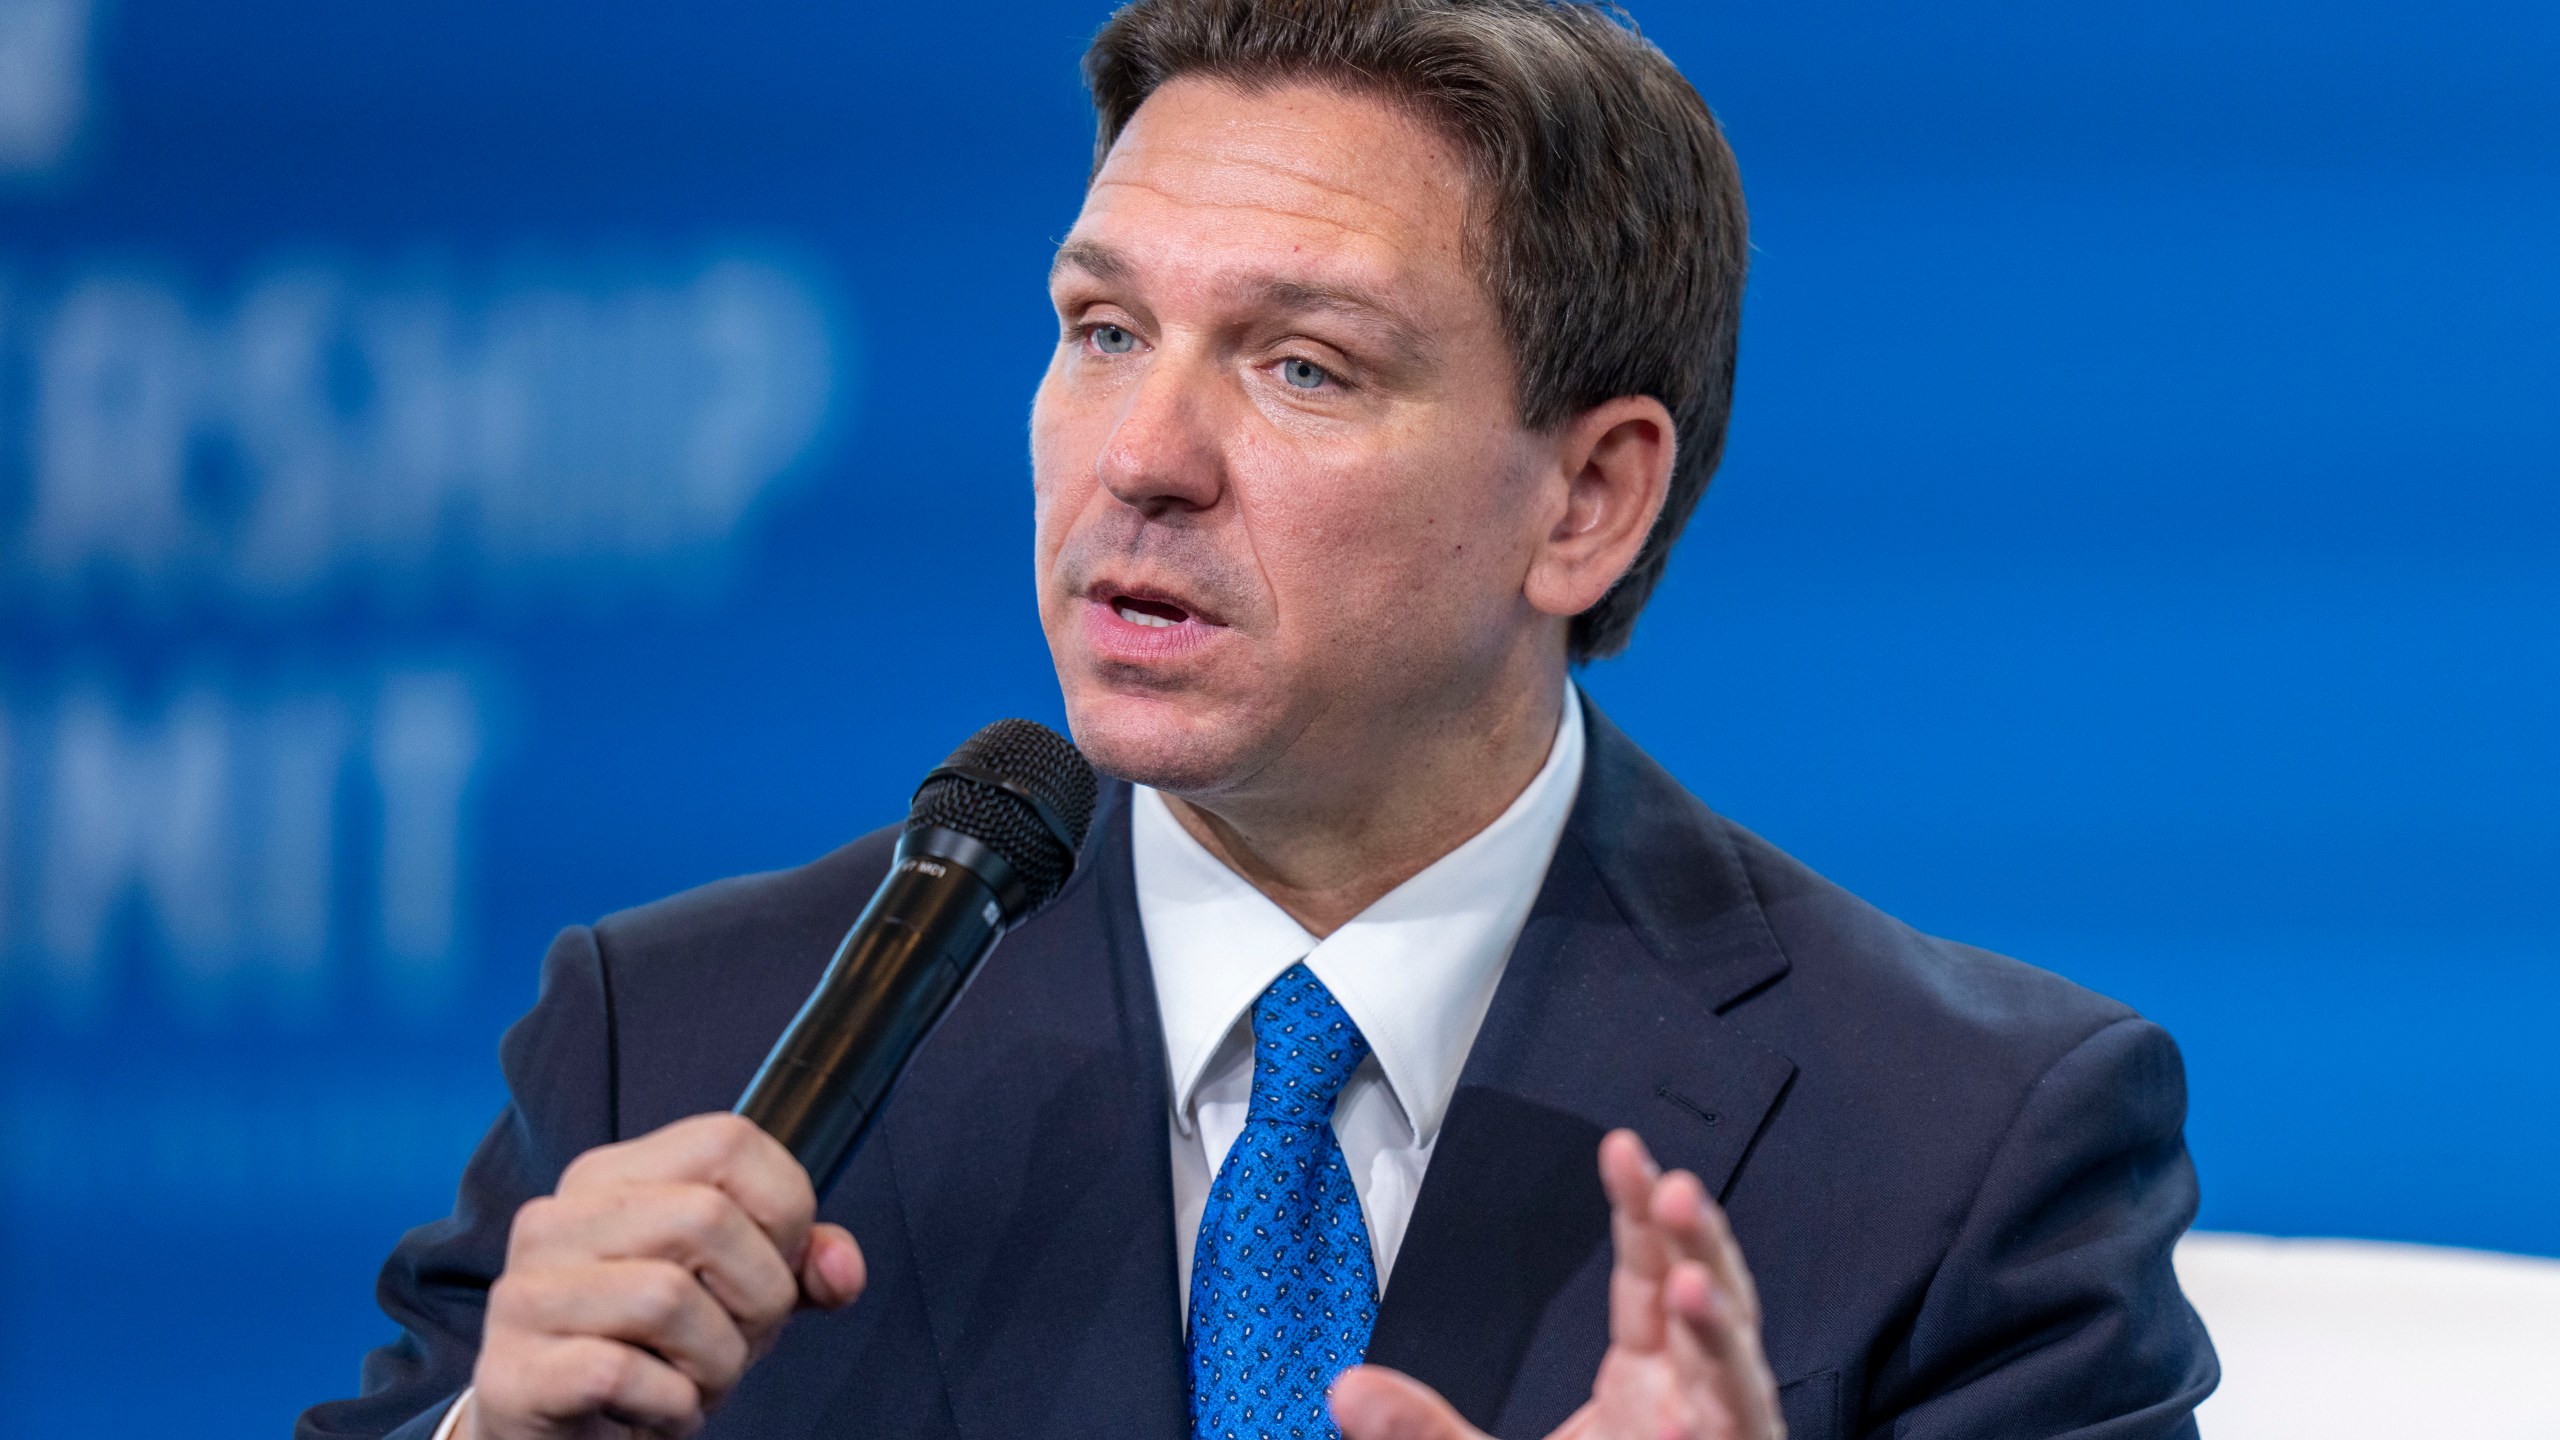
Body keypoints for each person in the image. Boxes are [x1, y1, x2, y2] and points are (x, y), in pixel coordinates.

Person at [302, 2, 2219, 1437]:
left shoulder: (1963, 1147)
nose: (1140, 457)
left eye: (1304, 366)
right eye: (1103, 328)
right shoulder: (678, 1045)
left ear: (1590, 501)